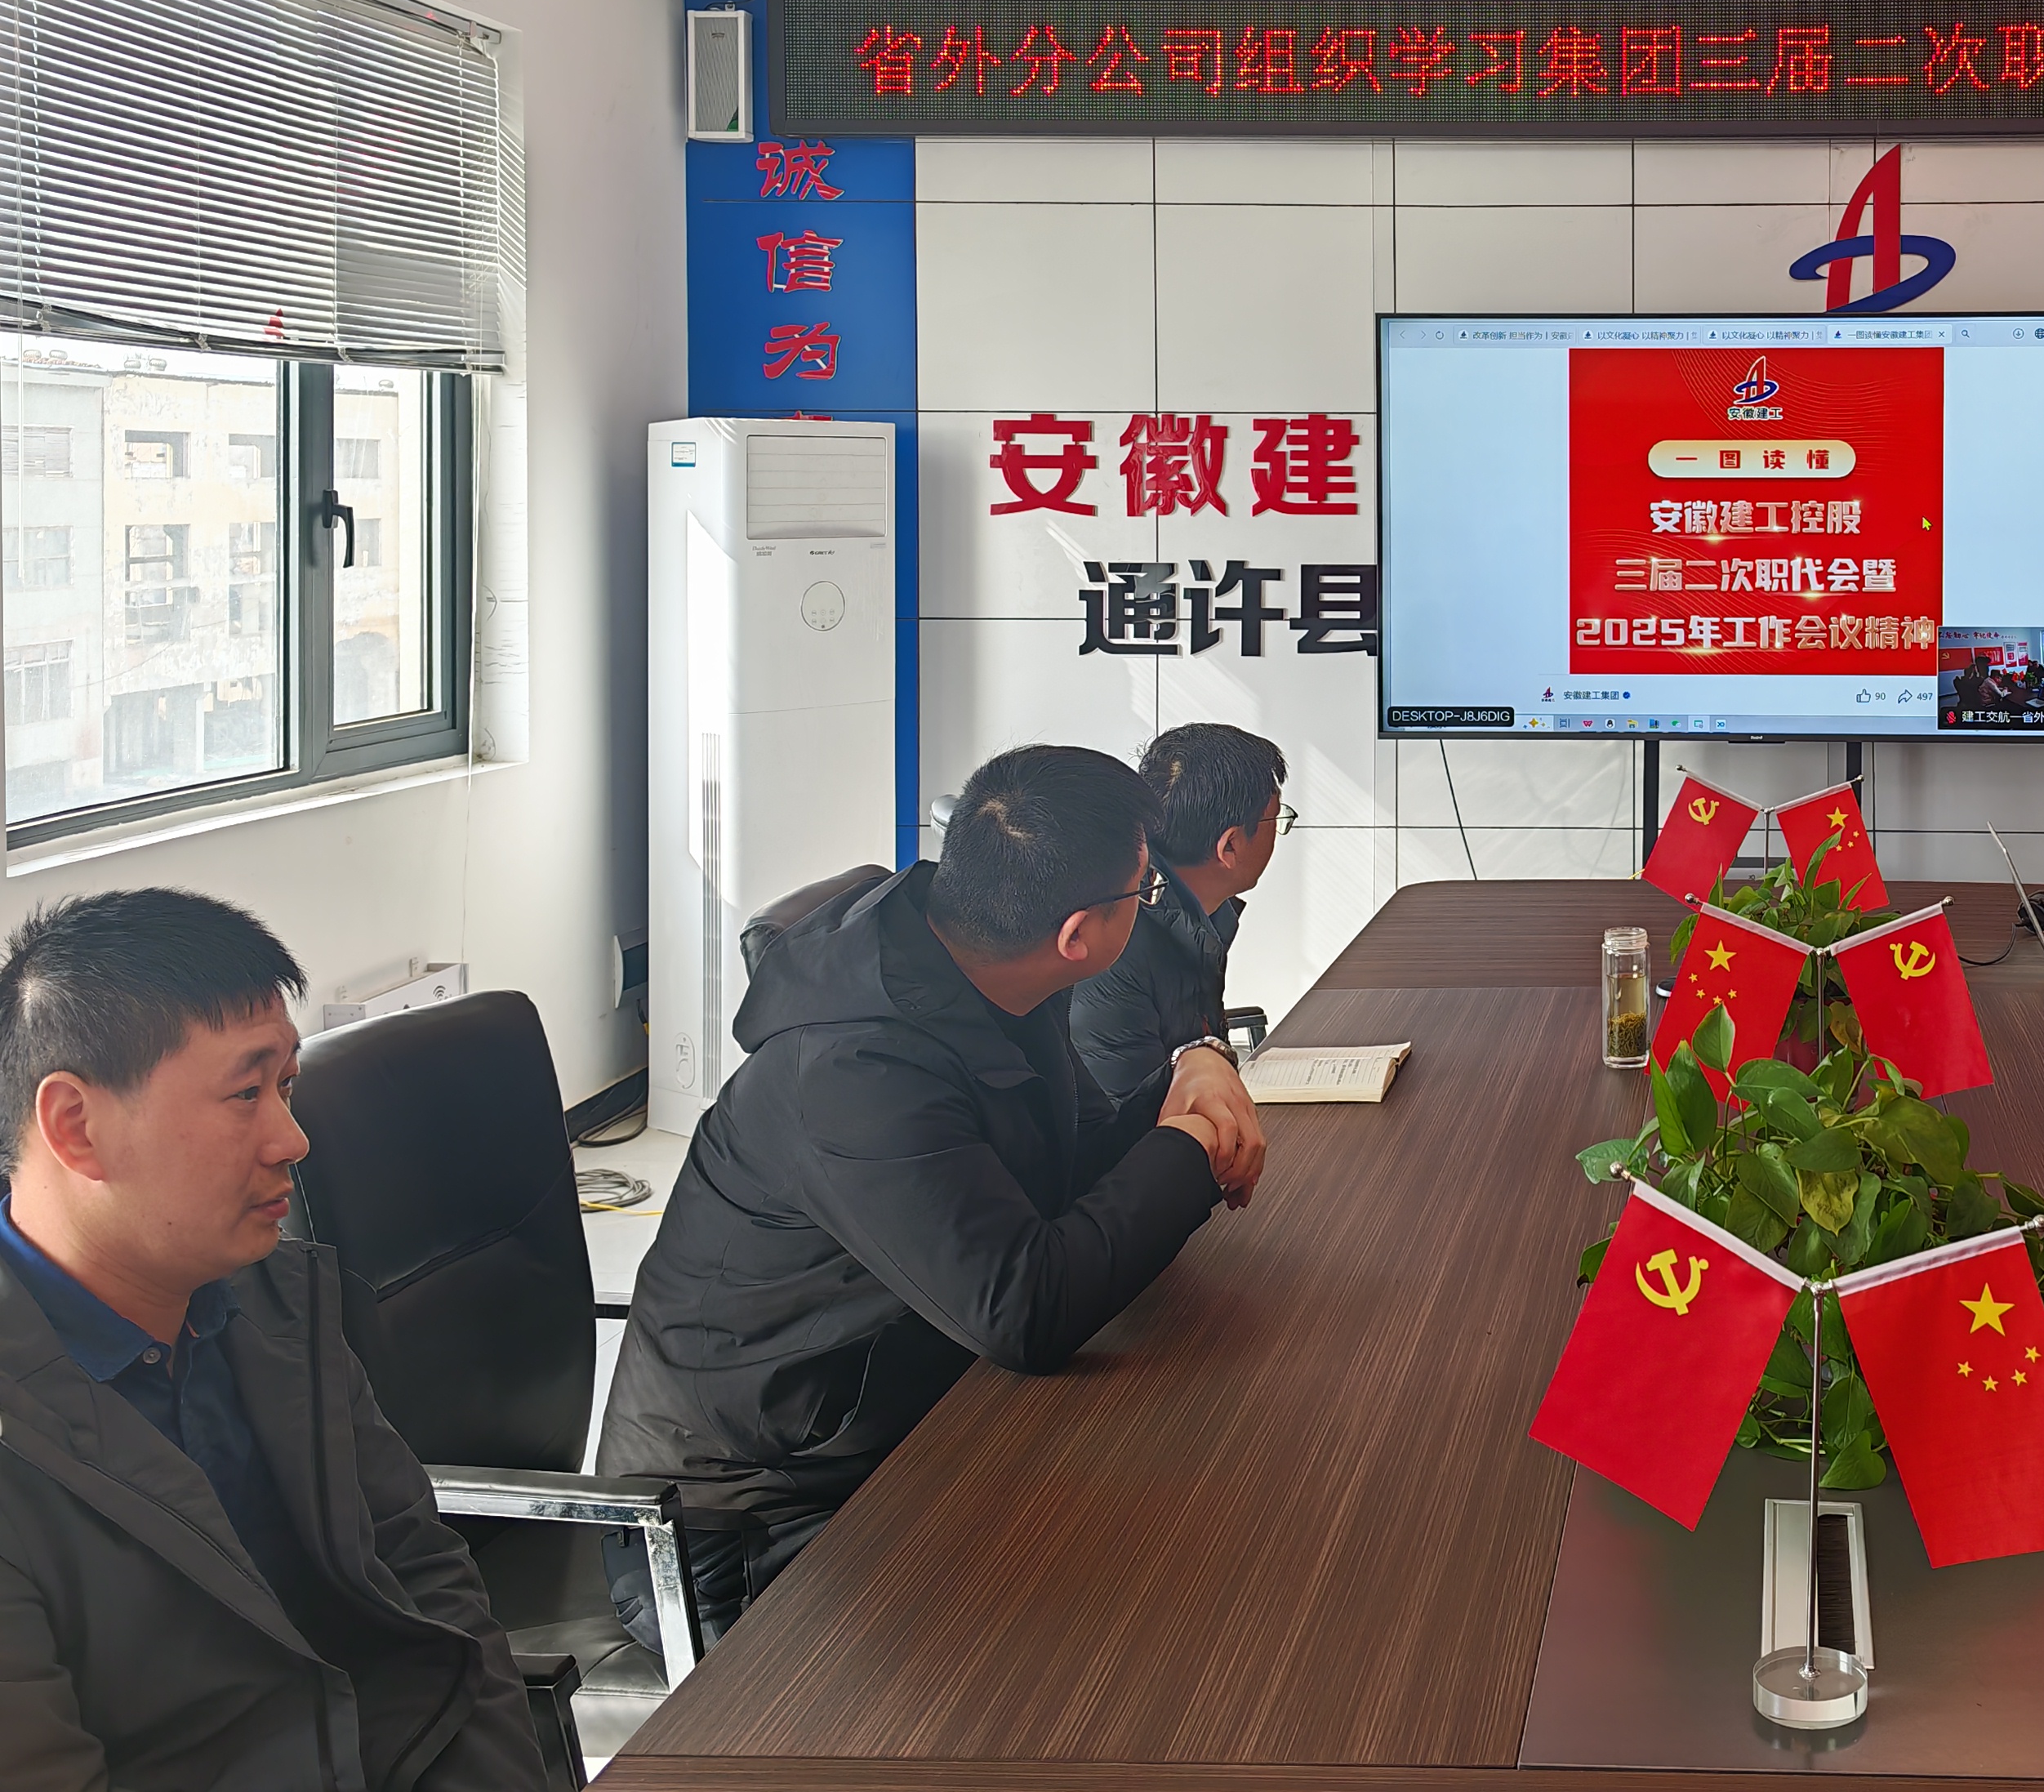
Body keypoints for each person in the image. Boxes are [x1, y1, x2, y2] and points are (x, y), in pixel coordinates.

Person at [600, 744, 1263, 1646]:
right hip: (746, 1528)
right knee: (1155, 1612)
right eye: (1143, 892)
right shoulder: (854, 1072)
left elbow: (1069, 1172)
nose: (1152, 906)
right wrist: (1188, 1151)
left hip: (900, 1420)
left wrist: (1191, 1071)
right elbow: (1027, 1310)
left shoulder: (985, 967)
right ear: (1078, 935)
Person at [0, 889, 542, 1790]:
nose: (292, 1140)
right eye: (245, 1093)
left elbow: (426, 1584)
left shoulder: (276, 1300)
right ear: (75, 1126)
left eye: (285, 1087)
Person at [1070, 724, 1285, 1099]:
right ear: (1229, 847)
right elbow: (1126, 1117)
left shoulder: (1191, 911)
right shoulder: (1116, 946)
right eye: (1276, 820)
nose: (1279, 831)